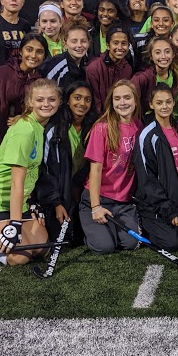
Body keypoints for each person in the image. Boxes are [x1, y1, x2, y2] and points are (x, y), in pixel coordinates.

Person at [0, 79, 58, 266]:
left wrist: (30, 202)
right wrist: (15, 224)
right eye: (40, 100)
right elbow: (17, 182)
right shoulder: (24, 130)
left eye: (51, 99)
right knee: (20, 257)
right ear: (30, 102)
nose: (46, 104)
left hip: (16, 201)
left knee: (42, 248)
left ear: (59, 101)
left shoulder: (38, 126)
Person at [133, 83, 178, 250]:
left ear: (174, 103)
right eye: (159, 102)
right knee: (172, 244)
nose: (164, 106)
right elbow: (147, 180)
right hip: (156, 205)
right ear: (151, 105)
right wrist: (167, 209)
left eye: (168, 101)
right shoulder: (146, 136)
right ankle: (145, 222)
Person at [78, 80, 143, 254]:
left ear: (135, 100)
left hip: (123, 203)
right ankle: (88, 223)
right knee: (105, 247)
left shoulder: (138, 126)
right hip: (98, 198)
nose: (122, 103)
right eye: (117, 98)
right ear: (111, 102)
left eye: (127, 97)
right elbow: (95, 170)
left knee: (130, 244)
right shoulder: (102, 128)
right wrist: (95, 206)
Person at [34, 81, 97, 247]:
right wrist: (56, 203)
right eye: (77, 98)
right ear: (67, 100)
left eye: (87, 100)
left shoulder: (93, 128)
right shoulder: (54, 129)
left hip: (78, 192)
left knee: (80, 240)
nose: (82, 103)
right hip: (55, 195)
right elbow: (45, 171)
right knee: (59, 241)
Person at [0, 33, 46, 160]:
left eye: (39, 52)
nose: (33, 56)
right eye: (29, 50)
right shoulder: (1, 74)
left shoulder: (41, 80)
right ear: (21, 51)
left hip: (26, 142)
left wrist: (26, 117)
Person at [85, 26, 134, 114]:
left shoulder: (127, 68)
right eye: (115, 43)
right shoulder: (93, 68)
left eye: (124, 43)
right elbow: (94, 103)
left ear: (128, 46)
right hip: (97, 119)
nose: (120, 47)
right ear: (108, 45)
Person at [131, 36, 178, 113]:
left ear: (173, 54)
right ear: (151, 56)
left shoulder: (177, 76)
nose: (163, 56)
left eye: (167, 52)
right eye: (158, 52)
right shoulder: (140, 78)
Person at [39, 20, 91, 90]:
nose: (79, 45)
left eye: (83, 41)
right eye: (74, 41)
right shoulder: (54, 66)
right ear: (65, 43)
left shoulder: (90, 63)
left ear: (89, 43)